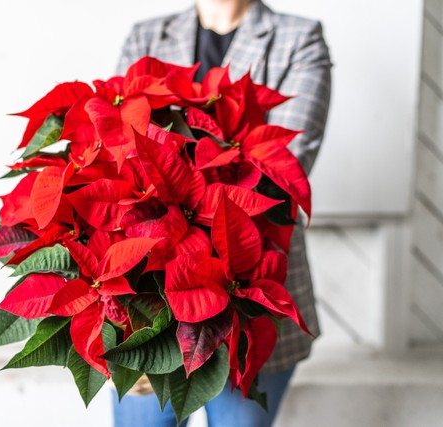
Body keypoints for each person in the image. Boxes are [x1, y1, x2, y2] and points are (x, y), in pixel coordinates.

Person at [113, 0, 332, 426]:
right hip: (146, 296)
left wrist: (173, 186)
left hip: (251, 286)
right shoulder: (146, 35)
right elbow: (119, 152)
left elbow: (282, 169)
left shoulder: (299, 37)